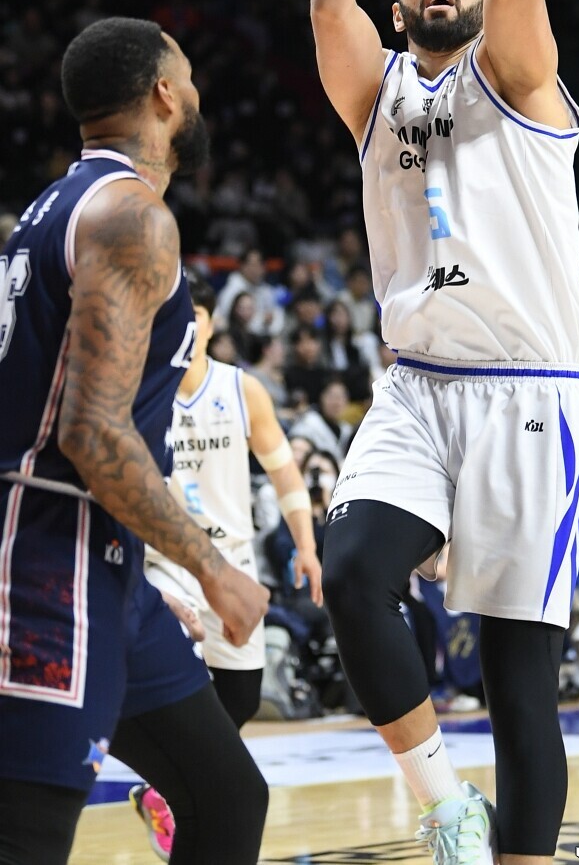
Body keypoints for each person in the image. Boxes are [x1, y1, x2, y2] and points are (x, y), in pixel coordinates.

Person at [310, 0, 579, 865]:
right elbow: (325, 6)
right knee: (349, 571)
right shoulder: (375, 89)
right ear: (398, 9)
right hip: (417, 388)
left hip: (532, 393)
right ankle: (443, 804)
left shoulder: (521, 81)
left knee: (518, 681)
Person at [0, 18, 270, 865]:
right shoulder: (130, 216)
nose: (195, 92)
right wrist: (212, 567)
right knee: (28, 836)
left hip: (104, 564)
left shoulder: (56, 207)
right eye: (187, 76)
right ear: (163, 93)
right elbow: (89, 431)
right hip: (50, 566)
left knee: (225, 796)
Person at [137, 274, 322, 860]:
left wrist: (306, 545)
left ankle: (160, 791)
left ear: (212, 323)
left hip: (234, 560)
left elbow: (284, 472)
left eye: (195, 315)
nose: (186, 326)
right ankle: (176, 788)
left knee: (241, 696)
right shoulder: (142, 385)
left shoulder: (242, 389)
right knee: (180, 683)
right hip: (168, 562)